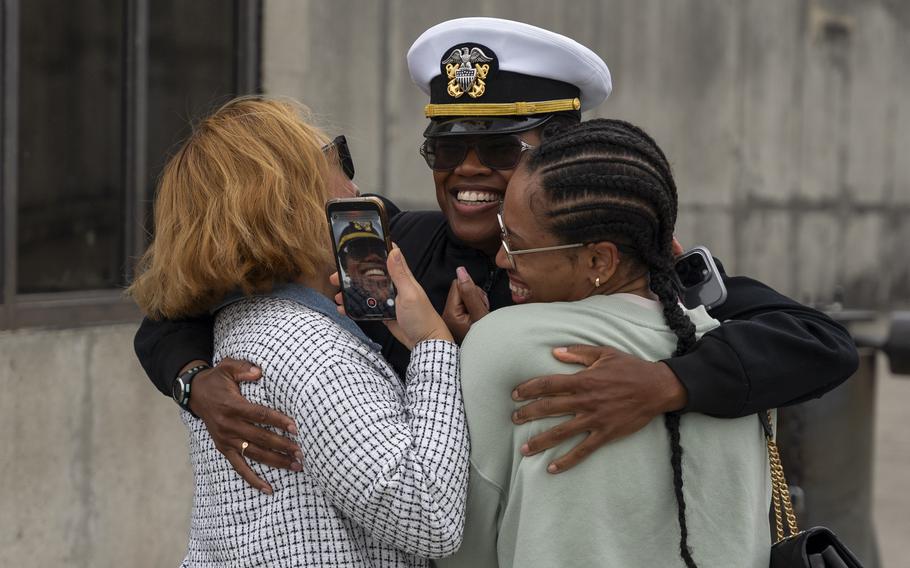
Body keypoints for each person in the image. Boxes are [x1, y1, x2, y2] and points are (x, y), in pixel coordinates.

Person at [133, 17, 857, 493]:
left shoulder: (621, 259)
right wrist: (197, 383)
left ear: (564, 153)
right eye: (447, 146)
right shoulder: (392, 246)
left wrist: (667, 383)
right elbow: (188, 299)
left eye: (501, 147)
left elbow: (821, 344)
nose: (467, 169)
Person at [128, 97, 468, 566]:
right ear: (288, 200)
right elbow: (430, 515)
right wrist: (434, 343)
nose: (355, 183)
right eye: (337, 160)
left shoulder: (240, 325)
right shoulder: (309, 352)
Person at [444, 118, 770, 568]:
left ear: (599, 260)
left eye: (515, 243)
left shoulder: (503, 342)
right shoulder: (736, 354)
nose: (501, 258)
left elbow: (458, 542)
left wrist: (433, 349)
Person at [335, 220, 396, 319]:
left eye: (379, 250)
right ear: (344, 265)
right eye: (359, 250)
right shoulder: (343, 310)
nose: (374, 257)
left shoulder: (403, 302)